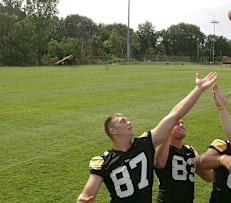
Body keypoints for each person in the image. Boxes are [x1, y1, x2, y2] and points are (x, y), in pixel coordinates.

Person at [76, 72, 218, 203]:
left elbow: (174, 115)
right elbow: (87, 193)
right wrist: (82, 200)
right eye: (123, 122)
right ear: (113, 131)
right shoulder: (104, 161)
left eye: (127, 119)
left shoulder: (144, 145)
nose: (129, 122)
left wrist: (198, 90)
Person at [154, 119, 213, 203]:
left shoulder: (190, 150)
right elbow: (157, 161)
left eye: (182, 123)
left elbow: (209, 177)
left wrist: (200, 162)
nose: (181, 125)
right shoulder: (163, 150)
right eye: (177, 124)